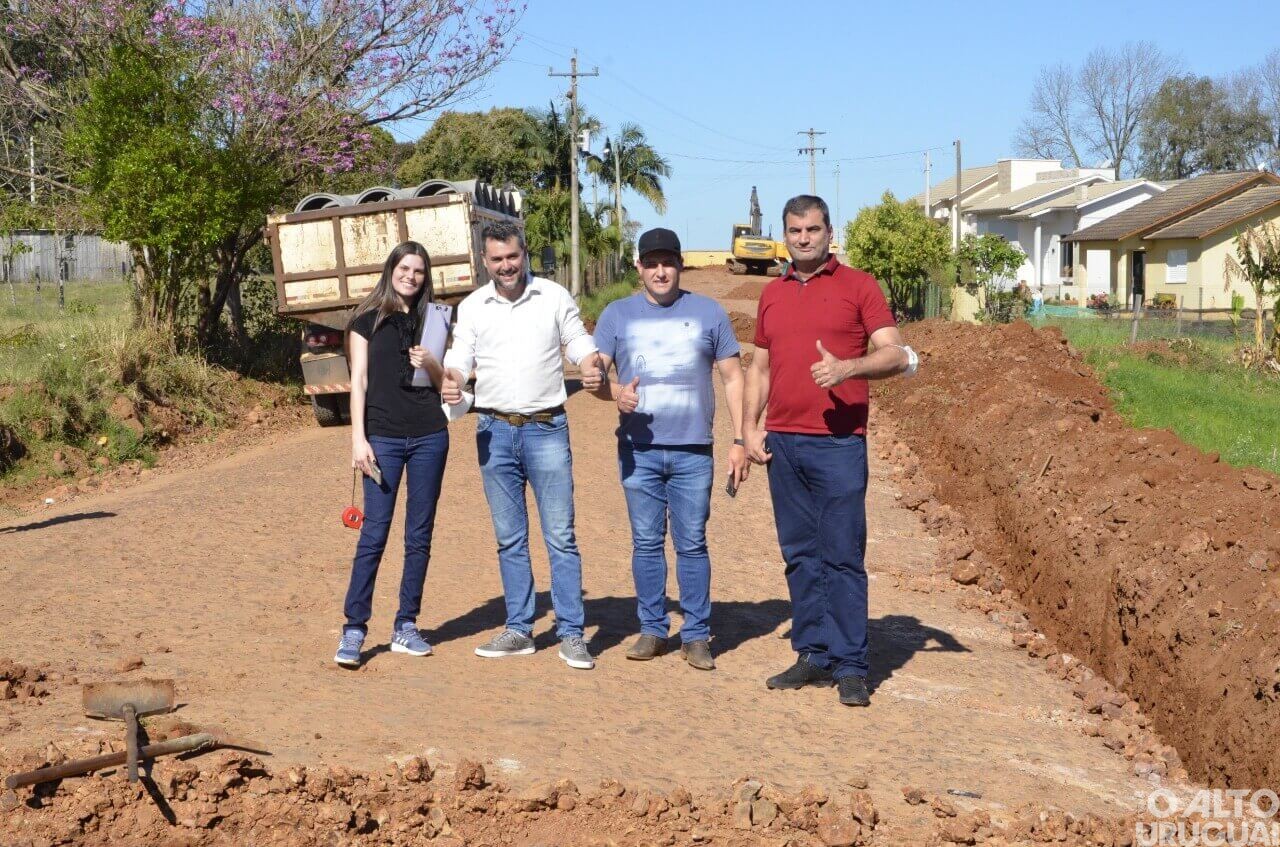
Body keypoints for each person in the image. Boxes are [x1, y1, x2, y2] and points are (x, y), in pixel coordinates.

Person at [741, 195, 918, 706]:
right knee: (800, 555)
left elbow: (897, 354)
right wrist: (748, 428)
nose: (803, 238)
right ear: (784, 236)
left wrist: (848, 368)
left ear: (828, 233)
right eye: (795, 230)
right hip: (783, 442)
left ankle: (851, 665)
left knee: (842, 555)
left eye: (812, 229)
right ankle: (813, 654)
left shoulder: (859, 286)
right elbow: (760, 367)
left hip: (839, 444)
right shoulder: (772, 293)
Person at [441, 221, 604, 670]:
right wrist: (452, 380)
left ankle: (572, 634)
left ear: (524, 253)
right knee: (509, 538)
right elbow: (459, 359)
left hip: (546, 429)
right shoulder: (473, 306)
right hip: (493, 432)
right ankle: (519, 629)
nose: (506, 266)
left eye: (512, 256)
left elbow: (577, 342)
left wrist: (591, 363)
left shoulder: (552, 296)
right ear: (485, 261)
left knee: (560, 537)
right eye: (496, 259)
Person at [590, 228, 747, 671]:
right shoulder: (617, 315)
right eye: (652, 263)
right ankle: (653, 629)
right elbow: (595, 378)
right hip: (638, 450)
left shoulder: (708, 312)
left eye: (668, 263)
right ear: (638, 266)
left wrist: (740, 439)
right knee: (645, 542)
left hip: (693, 452)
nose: (660, 272)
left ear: (680, 265)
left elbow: (733, 377)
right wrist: (614, 392)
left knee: (692, 543)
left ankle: (695, 635)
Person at [335, 241, 450, 667]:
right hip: (381, 438)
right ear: (391, 270)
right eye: (404, 268)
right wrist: (358, 439)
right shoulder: (365, 320)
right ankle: (354, 628)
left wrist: (431, 361)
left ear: (425, 276)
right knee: (374, 534)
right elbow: (359, 382)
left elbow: (446, 384)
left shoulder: (435, 320)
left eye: (418, 271)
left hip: (429, 436)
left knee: (419, 535)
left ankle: (406, 624)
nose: (410, 276)